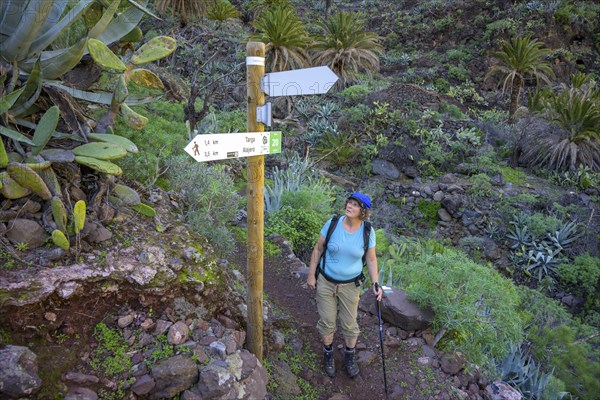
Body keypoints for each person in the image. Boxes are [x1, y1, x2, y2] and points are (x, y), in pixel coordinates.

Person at [307, 191, 382, 378]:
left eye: (355, 205)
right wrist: (311, 275)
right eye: (349, 203)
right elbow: (318, 249)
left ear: (363, 211)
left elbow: (371, 260)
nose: (350, 206)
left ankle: (350, 355)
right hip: (326, 281)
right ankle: (328, 353)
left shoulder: (367, 231)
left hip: (350, 285)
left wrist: (375, 283)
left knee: (349, 324)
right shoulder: (332, 224)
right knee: (327, 321)